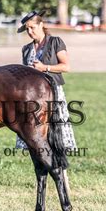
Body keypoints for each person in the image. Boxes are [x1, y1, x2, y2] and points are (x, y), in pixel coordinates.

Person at [15, 10, 76, 188]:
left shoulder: (55, 42)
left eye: (32, 27)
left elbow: (66, 66)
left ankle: (63, 181)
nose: (30, 32)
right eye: (27, 29)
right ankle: (43, 178)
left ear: (41, 25)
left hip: (53, 94)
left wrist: (45, 67)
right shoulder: (26, 49)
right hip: (31, 98)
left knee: (55, 140)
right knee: (36, 139)